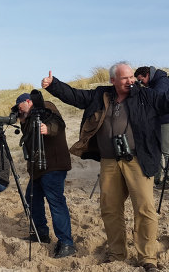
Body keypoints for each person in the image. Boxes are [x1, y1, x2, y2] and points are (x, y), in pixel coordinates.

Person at [41, 62, 169, 272]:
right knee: (110, 209)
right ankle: (117, 254)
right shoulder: (101, 95)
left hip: (138, 159)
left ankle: (148, 258)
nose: (130, 81)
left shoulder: (145, 96)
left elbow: (166, 101)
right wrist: (54, 85)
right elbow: (76, 96)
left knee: (145, 209)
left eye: (132, 78)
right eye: (125, 78)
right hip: (109, 161)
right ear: (113, 81)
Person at [13, 91, 75, 258]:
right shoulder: (26, 119)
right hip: (38, 168)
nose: (20, 111)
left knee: (55, 200)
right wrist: (23, 120)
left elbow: (58, 125)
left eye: (20, 108)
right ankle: (41, 233)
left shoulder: (45, 106)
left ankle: (66, 243)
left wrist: (48, 129)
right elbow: (29, 142)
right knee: (31, 197)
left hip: (53, 164)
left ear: (28, 101)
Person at [135, 66, 169, 187]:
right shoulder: (155, 83)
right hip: (158, 120)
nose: (141, 84)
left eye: (141, 80)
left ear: (147, 75)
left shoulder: (162, 81)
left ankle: (167, 180)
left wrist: (142, 90)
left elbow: (157, 98)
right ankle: (157, 179)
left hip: (166, 120)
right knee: (159, 150)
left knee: (166, 151)